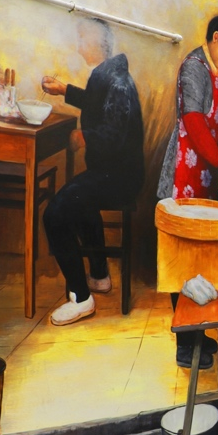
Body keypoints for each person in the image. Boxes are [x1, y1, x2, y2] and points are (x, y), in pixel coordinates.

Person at [41, 19, 145, 326]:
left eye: (82, 39)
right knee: (79, 200)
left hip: (121, 179)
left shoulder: (118, 82)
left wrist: (84, 136)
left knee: (55, 214)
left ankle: (81, 298)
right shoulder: (109, 75)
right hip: (113, 173)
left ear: (97, 44)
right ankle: (99, 275)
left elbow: (115, 134)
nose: (78, 45)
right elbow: (96, 102)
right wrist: (64, 90)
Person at [156, 15, 218, 368]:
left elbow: (216, 108)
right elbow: (194, 121)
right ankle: (184, 344)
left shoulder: (213, 68)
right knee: (182, 258)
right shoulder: (193, 68)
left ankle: (197, 334)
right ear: (215, 37)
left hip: (202, 171)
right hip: (184, 171)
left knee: (198, 258)